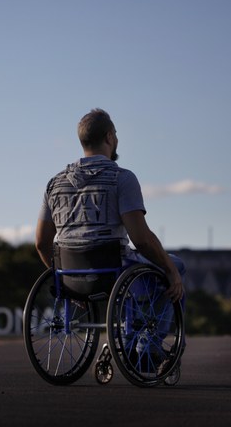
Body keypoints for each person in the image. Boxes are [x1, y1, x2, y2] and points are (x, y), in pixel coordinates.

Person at [35, 108, 186, 370]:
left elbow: (41, 242)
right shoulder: (122, 179)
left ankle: (131, 342)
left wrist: (64, 278)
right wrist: (170, 269)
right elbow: (142, 239)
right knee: (174, 266)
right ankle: (146, 347)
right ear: (109, 137)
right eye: (115, 134)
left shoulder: (54, 184)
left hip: (71, 275)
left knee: (136, 272)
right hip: (115, 270)